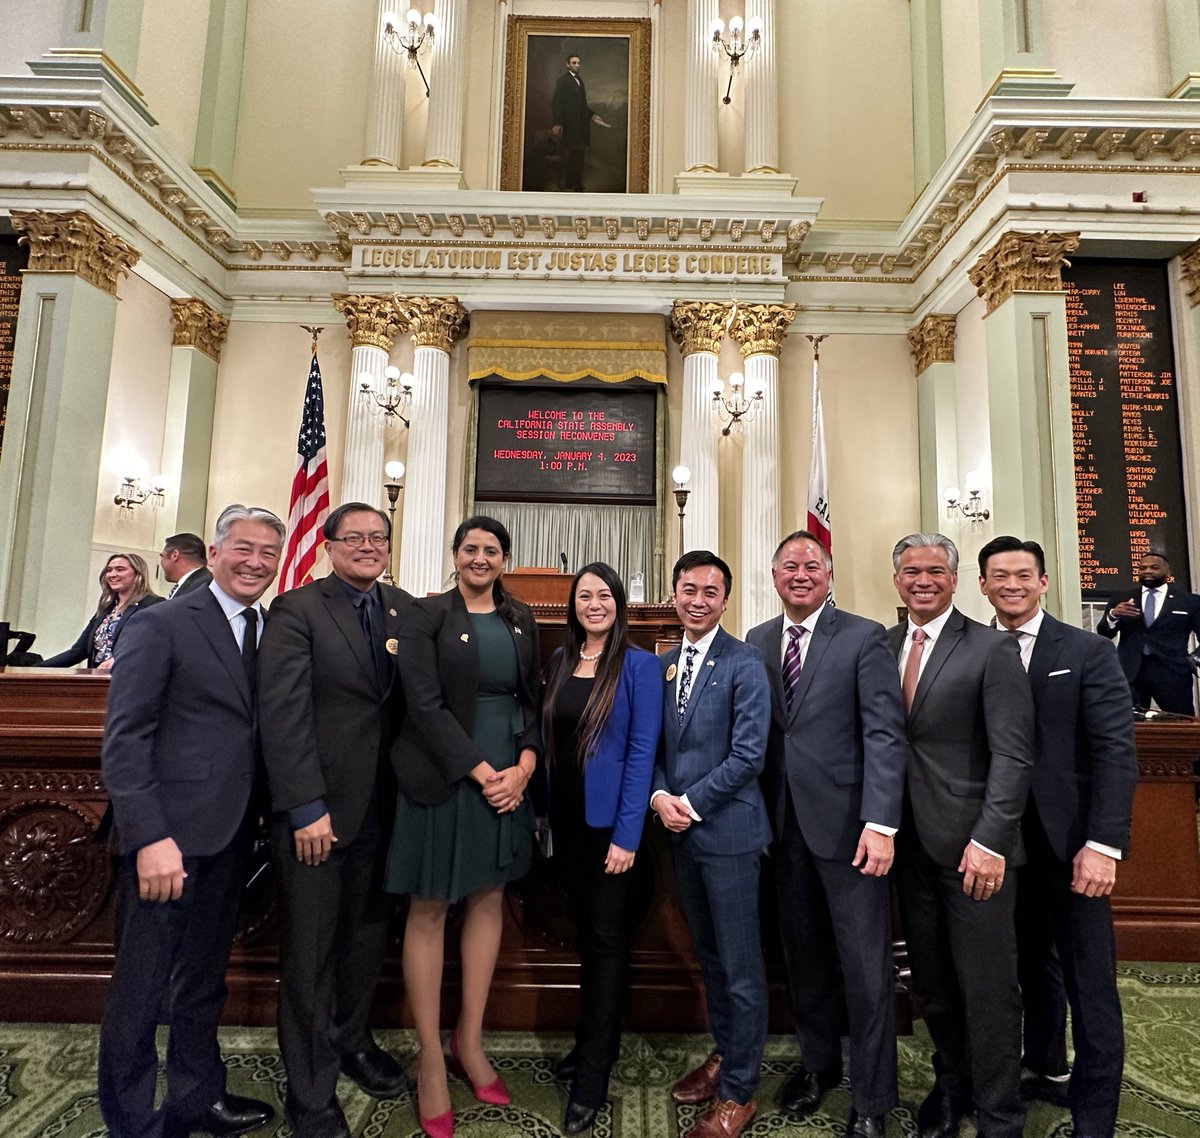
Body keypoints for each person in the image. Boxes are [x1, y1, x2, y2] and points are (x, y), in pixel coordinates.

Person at [97, 504, 284, 1138]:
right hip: (166, 842)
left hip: (231, 837)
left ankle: (196, 1098)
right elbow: (125, 740)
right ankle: (133, 1122)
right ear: (215, 549)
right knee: (142, 992)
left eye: (268, 552)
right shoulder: (162, 622)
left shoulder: (267, 628)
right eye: (244, 548)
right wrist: (149, 837)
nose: (255, 562)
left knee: (204, 980)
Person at [258, 502, 414, 1138]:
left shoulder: (401, 607)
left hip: (386, 812)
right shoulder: (297, 610)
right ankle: (311, 1091)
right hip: (318, 816)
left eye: (379, 537)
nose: (369, 546)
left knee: (366, 940)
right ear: (327, 545)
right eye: (355, 537)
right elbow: (284, 715)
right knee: (311, 956)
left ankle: (352, 1041)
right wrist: (305, 806)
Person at [746, 532, 906, 1138]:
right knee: (804, 962)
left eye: (812, 564)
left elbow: (885, 736)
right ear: (773, 575)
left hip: (851, 832)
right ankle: (819, 1069)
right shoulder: (758, 640)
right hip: (781, 832)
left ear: (829, 572)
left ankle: (872, 1098)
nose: (801, 573)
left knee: (866, 971)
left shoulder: (863, 638)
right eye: (790, 565)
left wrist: (881, 823)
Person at [386, 516, 541, 1138]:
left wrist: (525, 766)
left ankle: (468, 1041)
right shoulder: (427, 615)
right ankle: (429, 1057)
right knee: (429, 905)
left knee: (488, 896)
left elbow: (533, 697)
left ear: (505, 558)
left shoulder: (521, 618)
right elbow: (421, 705)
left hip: (509, 772)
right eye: (471, 549)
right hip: (445, 773)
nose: (481, 558)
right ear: (454, 555)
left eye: (492, 550)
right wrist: (483, 771)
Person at [978, 536, 1137, 1138]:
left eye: (1023, 575)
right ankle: (1044, 1065)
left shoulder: (1088, 651)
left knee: (1088, 980)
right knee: (1026, 964)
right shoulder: (977, 648)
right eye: (999, 576)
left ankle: (1095, 1116)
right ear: (984, 585)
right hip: (1001, 847)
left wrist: (1104, 843)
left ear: (1044, 582)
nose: (1011, 585)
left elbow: (1115, 753)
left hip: (1072, 847)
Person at [886, 532, 1034, 1138]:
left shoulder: (991, 647)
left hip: (976, 849)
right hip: (908, 847)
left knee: (989, 988)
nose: (922, 579)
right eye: (911, 570)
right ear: (896, 579)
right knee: (934, 983)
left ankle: (1001, 1113)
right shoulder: (885, 644)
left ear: (954, 579)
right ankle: (952, 1089)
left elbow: (1014, 755)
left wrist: (992, 839)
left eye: (934, 570)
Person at [538, 562, 663, 1134]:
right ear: (573, 604)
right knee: (588, 941)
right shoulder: (561, 661)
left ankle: (591, 1078)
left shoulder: (639, 667)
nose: (595, 603)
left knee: (607, 945)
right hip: (567, 827)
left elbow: (641, 755)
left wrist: (627, 836)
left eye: (604, 594)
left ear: (619, 602)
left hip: (613, 833)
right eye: (584, 594)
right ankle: (597, 1044)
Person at [651, 550, 771, 1138]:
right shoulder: (666, 663)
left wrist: (690, 805)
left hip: (728, 835)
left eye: (709, 591)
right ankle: (726, 1057)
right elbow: (653, 750)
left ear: (725, 599)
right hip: (680, 835)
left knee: (743, 969)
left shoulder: (745, 662)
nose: (697, 600)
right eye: (688, 589)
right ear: (675, 593)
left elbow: (749, 755)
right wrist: (658, 799)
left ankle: (741, 1094)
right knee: (714, 961)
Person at [1097, 549, 1200, 714]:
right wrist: (1113, 615)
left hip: (1173, 674)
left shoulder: (1189, 601)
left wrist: (1193, 660)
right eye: (1142, 568)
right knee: (1127, 726)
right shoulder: (1122, 599)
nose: (1147, 572)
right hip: (1131, 674)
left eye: (1154, 567)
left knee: (1181, 725)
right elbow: (1104, 633)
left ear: (1168, 572)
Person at [39, 552, 162, 670]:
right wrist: (35, 668)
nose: (112, 574)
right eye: (109, 570)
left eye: (120, 569)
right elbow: (77, 652)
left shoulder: (153, 604)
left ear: (138, 574)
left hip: (129, 680)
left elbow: (150, 647)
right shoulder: (107, 609)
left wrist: (117, 660)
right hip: (98, 683)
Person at [551, 53, 610, 191]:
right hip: (569, 126)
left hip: (581, 127)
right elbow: (557, 103)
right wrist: (558, 123)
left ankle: (575, 184)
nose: (577, 65)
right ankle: (563, 185)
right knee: (567, 157)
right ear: (567, 65)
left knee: (578, 157)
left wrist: (593, 115)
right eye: (574, 63)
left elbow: (581, 105)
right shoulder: (563, 81)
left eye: (578, 63)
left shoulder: (579, 81)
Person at [160, 532, 212, 598]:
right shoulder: (202, 583)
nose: (161, 561)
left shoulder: (201, 588)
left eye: (162, 556)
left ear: (174, 555)